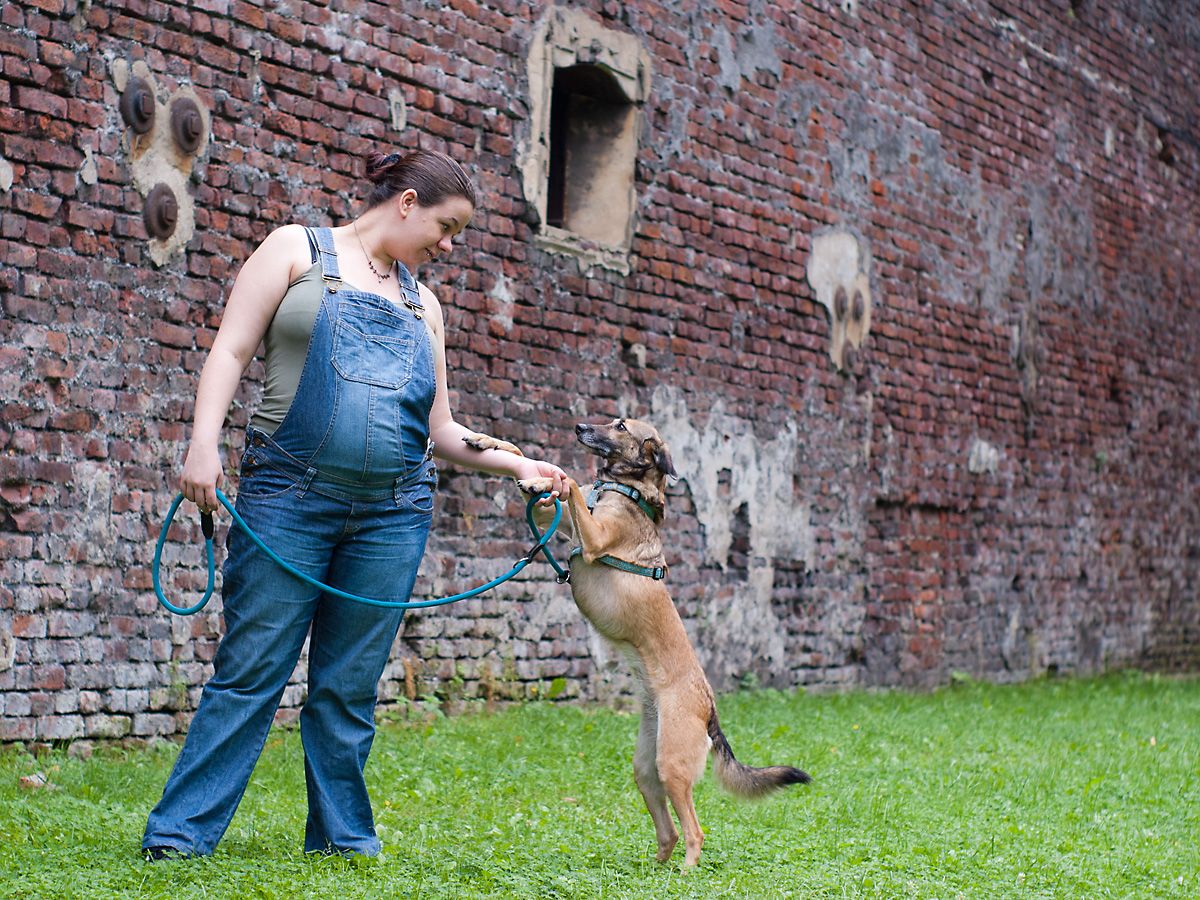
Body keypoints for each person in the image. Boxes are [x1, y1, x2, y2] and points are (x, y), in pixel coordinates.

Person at [143, 149, 568, 860]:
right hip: (287, 500)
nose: (449, 245)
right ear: (405, 203)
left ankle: (342, 840)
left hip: (392, 517)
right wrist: (203, 446)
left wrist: (519, 464)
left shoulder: (421, 304)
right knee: (251, 672)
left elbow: (441, 431)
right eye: (446, 226)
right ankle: (180, 837)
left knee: (348, 689)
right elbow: (229, 350)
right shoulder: (293, 249)